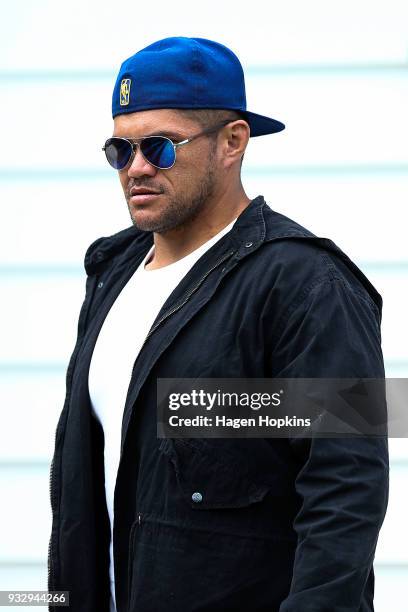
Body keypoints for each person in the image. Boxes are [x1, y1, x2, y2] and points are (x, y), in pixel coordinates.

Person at [47, 37, 389, 612]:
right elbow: (82, 495)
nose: (135, 169)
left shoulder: (309, 284)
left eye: (159, 147)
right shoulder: (111, 272)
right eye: (119, 151)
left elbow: (348, 488)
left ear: (232, 142)